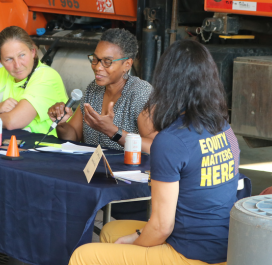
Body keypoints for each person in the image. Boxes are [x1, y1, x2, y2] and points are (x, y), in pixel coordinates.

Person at [69, 40, 240, 265]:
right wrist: (134, 238)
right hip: (226, 247)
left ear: (167, 82)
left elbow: (161, 227)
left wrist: (134, 244)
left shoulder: (170, 141)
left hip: (190, 254)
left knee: (83, 256)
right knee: (111, 230)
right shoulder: (224, 128)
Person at [47, 28, 156, 154]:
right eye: (95, 59)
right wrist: (61, 124)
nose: (98, 67)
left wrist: (113, 131)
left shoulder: (140, 92)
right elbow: (73, 136)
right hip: (92, 169)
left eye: (107, 62)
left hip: (126, 171)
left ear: (127, 64)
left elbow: (153, 146)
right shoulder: (93, 88)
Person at [0, 26, 67, 134]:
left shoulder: (46, 76)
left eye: (22, 55)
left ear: (33, 52)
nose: (17, 65)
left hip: (44, 147)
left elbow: (12, 122)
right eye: (9, 59)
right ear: (1, 61)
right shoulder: (1, 73)